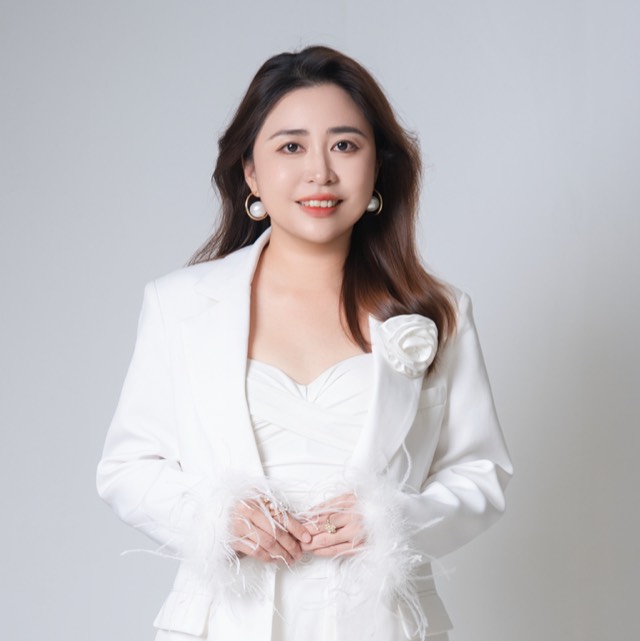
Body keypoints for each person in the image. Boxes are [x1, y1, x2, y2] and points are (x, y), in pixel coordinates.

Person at [97, 46, 513, 641]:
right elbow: (127, 467)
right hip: (221, 625)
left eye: (345, 145)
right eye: (291, 147)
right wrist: (216, 518)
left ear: (377, 167)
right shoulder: (179, 304)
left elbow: (480, 471)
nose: (320, 172)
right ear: (250, 171)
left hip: (384, 625)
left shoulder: (435, 310)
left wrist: (394, 520)